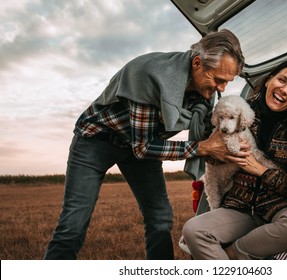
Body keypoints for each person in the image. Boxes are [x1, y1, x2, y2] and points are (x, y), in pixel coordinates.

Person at [43, 29, 246, 260]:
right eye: (219, 80)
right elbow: (143, 148)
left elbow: (207, 132)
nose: (221, 89)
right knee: (72, 226)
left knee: (160, 218)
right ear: (197, 62)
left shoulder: (205, 88)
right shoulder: (148, 75)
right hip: (97, 141)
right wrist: (202, 148)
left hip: (141, 143)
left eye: (227, 82)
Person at [182, 59, 287, 259]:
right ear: (269, 79)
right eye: (282, 80)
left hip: (279, 208)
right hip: (240, 208)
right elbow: (214, 161)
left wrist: (261, 170)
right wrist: (222, 153)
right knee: (193, 230)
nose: (285, 90)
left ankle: (234, 254)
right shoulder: (235, 110)